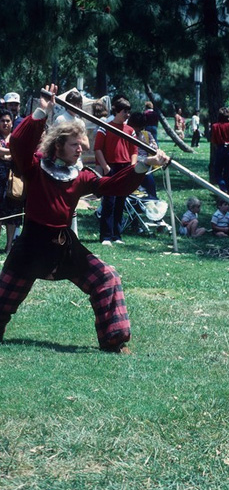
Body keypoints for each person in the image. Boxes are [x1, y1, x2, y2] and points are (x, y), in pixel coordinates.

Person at [0, 83, 169, 353]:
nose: (81, 149)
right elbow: (20, 143)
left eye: (81, 144)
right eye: (74, 145)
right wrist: (41, 112)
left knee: (107, 280)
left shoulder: (81, 176)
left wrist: (144, 165)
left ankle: (114, 341)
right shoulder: (35, 167)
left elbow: (113, 186)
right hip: (31, 246)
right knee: (2, 301)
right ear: (57, 146)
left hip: (64, 247)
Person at [94, 97, 137, 246]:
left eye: (129, 112)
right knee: (109, 202)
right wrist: (105, 167)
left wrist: (132, 167)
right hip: (111, 167)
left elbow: (134, 150)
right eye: (125, 111)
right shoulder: (105, 127)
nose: (127, 115)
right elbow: (97, 148)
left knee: (121, 201)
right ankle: (105, 236)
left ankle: (116, 235)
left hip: (125, 168)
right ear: (117, 111)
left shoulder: (130, 130)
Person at [0, 109, 23, 253]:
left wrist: (8, 153)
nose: (5, 123)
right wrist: (12, 152)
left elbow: (22, 151)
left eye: (8, 121)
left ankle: (9, 246)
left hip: (14, 181)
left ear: (12, 123)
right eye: (2, 120)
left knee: (12, 214)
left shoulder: (16, 137)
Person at [127, 112, 159, 200]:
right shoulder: (126, 134)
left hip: (145, 164)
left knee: (148, 178)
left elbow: (155, 149)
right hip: (131, 163)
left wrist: (142, 141)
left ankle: (152, 198)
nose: (137, 129)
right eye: (135, 126)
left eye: (140, 127)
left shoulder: (147, 134)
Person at [210, 107, 229, 192]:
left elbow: (214, 141)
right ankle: (227, 192)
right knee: (227, 174)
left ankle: (223, 188)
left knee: (217, 173)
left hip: (221, 148)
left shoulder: (215, 126)